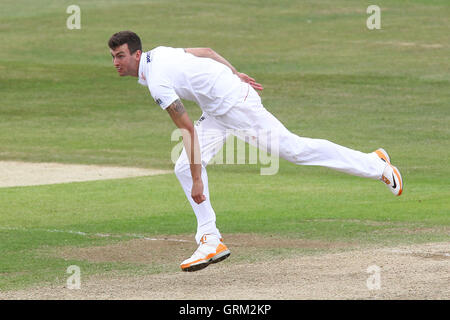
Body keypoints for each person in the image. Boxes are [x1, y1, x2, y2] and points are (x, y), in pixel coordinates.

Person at [108, 30, 403, 272]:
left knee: (295, 150)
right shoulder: (158, 54)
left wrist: (199, 180)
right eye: (112, 57)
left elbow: (187, 129)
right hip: (219, 108)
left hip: (236, 107)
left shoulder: (157, 81)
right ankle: (211, 240)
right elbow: (208, 51)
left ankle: (377, 166)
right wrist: (235, 73)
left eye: (120, 55)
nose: (116, 62)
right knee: (183, 167)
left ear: (136, 54)